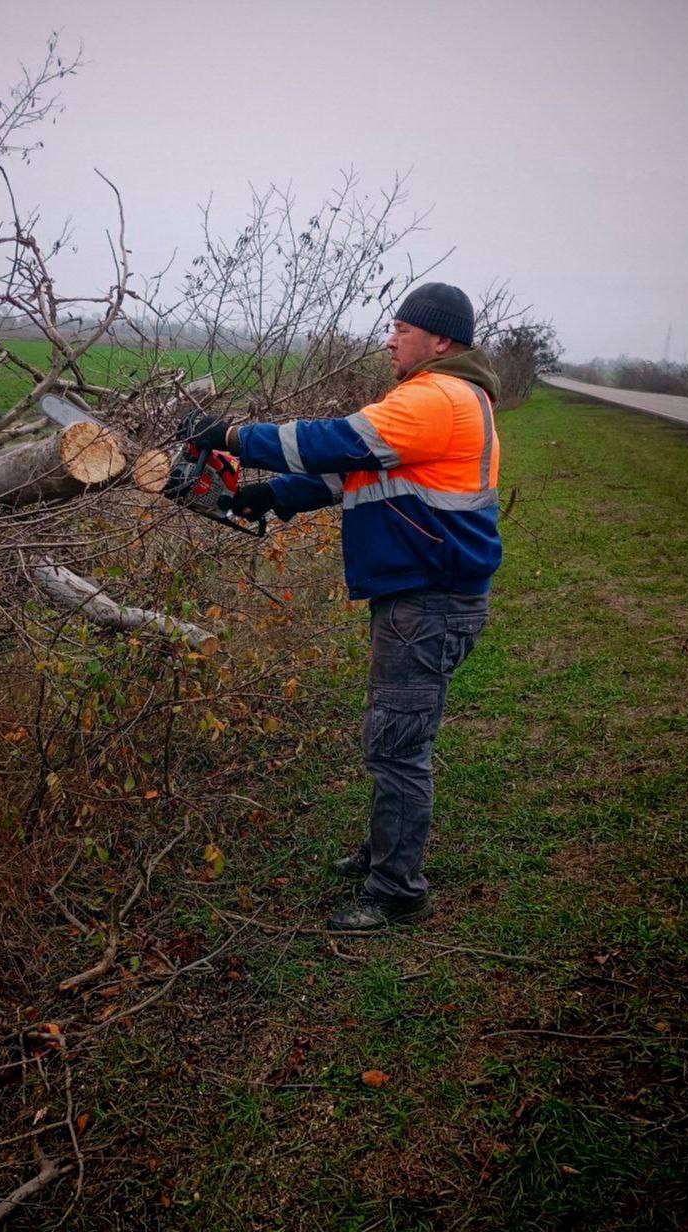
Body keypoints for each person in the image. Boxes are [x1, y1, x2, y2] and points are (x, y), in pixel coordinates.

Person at [188, 282, 502, 931]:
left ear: (437, 338)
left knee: (397, 744)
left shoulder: (436, 397)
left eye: (400, 328)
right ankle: (384, 854)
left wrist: (231, 435)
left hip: (428, 598)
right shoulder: (441, 397)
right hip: (421, 593)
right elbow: (348, 472)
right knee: (391, 734)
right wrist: (268, 495)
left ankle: (396, 888)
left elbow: (333, 441)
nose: (389, 338)